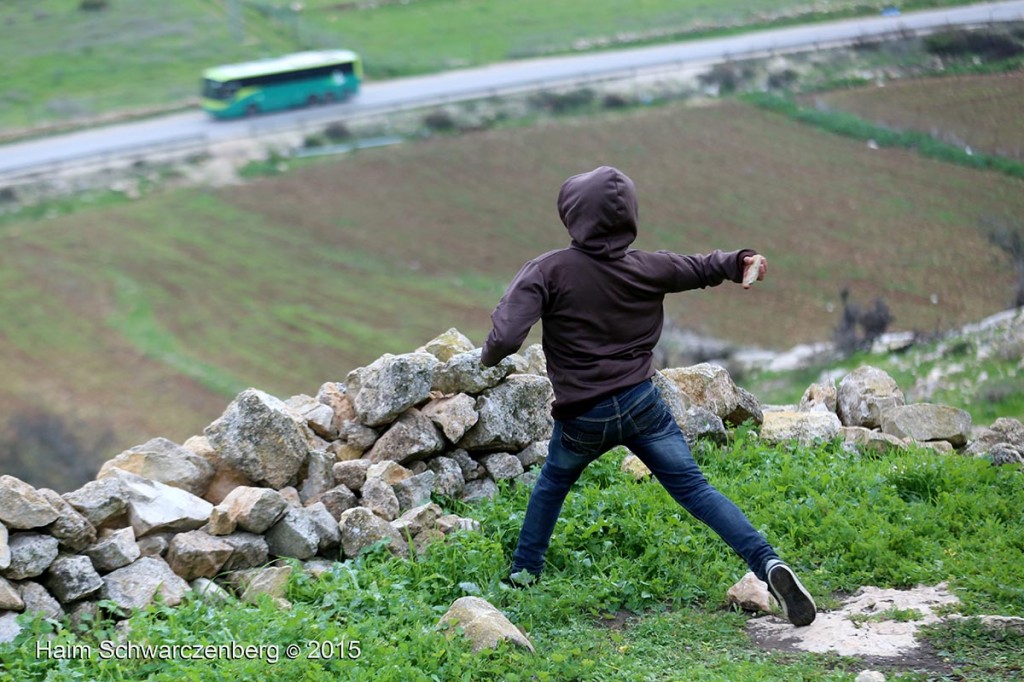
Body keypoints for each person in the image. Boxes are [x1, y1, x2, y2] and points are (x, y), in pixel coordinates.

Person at [480, 165, 816, 627]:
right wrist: (743, 259)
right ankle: (769, 564)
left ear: (572, 216)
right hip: (642, 405)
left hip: (583, 417)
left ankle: (523, 575)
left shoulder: (549, 270)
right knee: (697, 490)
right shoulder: (648, 267)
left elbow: (505, 339)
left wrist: (487, 355)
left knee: (552, 485)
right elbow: (701, 267)